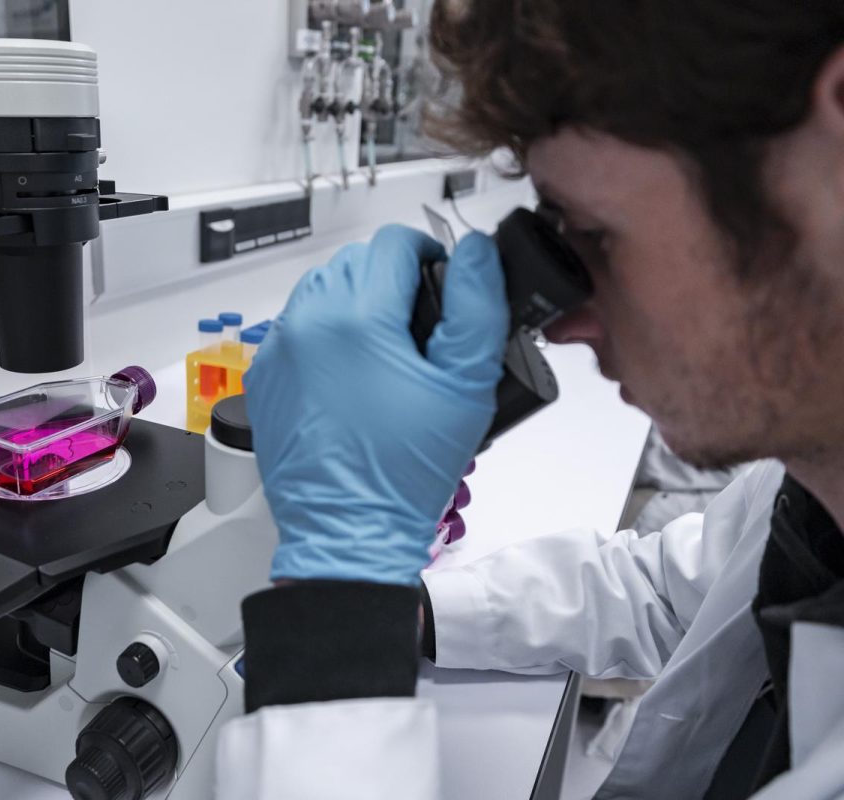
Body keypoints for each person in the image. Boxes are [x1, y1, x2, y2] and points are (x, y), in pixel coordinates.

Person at [214, 2, 844, 798]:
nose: (568, 321)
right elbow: (667, 593)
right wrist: (406, 607)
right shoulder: (817, 482)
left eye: (594, 235)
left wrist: (337, 609)